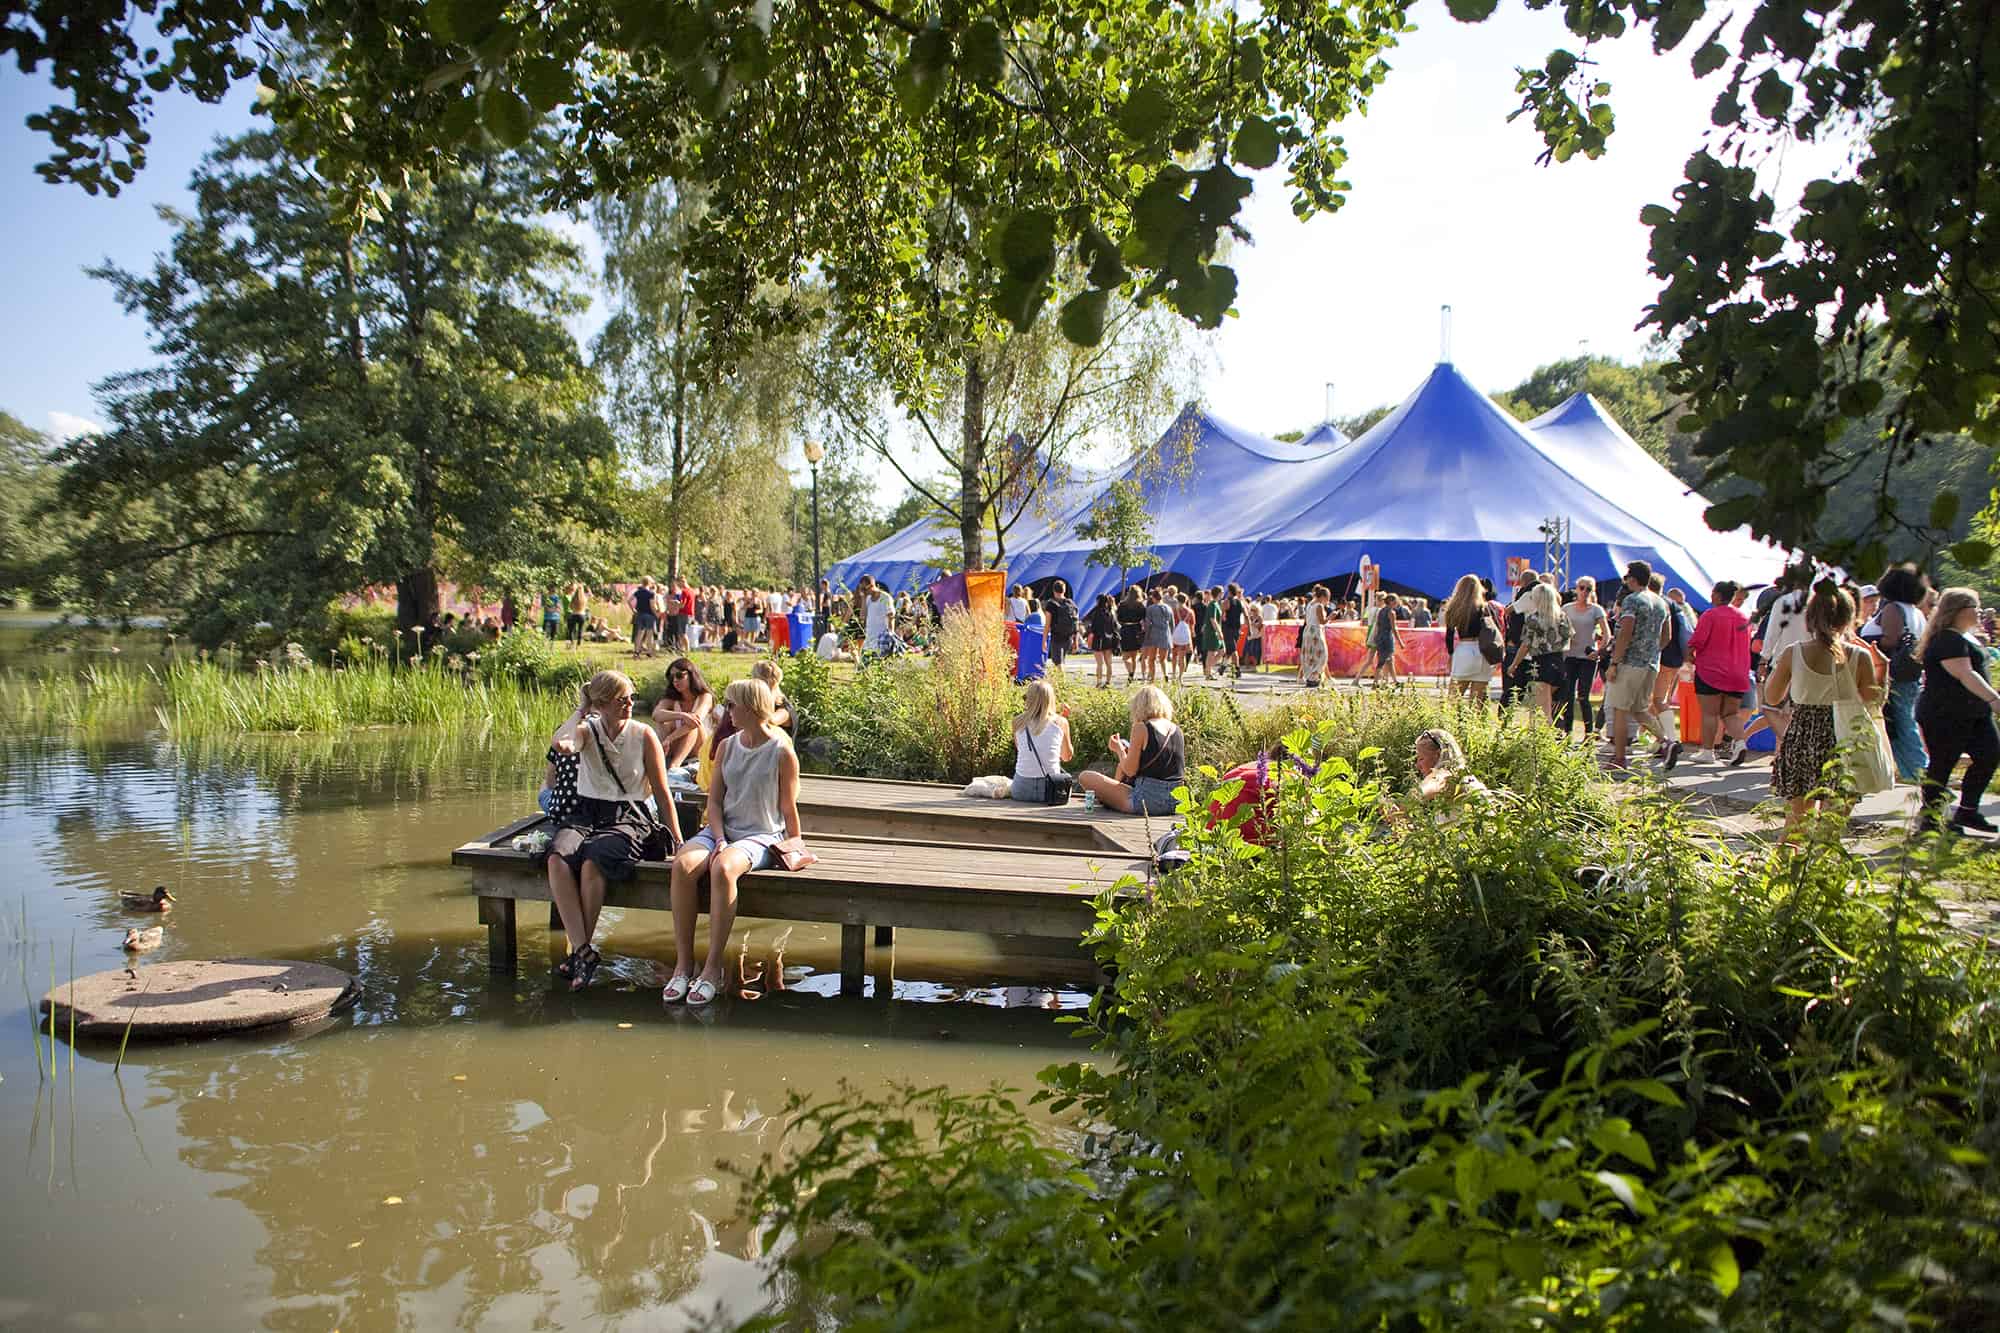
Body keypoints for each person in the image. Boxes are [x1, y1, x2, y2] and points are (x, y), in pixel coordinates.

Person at [663, 678, 801, 1006]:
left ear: (751, 709)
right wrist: (720, 837)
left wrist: (797, 842)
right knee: (683, 863)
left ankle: (712, 968)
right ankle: (683, 965)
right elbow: (714, 802)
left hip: (761, 835)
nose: (726, 711)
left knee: (724, 869)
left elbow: (787, 807)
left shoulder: (782, 751)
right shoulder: (727, 746)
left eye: (732, 705)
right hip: (722, 830)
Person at [547, 671, 680, 990]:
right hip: (586, 811)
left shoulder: (643, 734)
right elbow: (562, 744)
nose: (631, 704)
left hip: (628, 815)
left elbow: (662, 792)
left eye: (632, 697)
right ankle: (583, 952)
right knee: (557, 858)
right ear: (602, 704)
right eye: (623, 699)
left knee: (594, 860)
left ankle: (580, 953)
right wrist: (580, 712)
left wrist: (678, 840)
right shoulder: (587, 731)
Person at [1764, 581, 1881, 837]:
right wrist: (1882, 670)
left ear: (1810, 618)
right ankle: (1824, 873)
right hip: (1844, 738)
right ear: (1849, 619)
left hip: (1803, 736)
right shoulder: (1860, 657)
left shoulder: (1792, 653)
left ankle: (1783, 873)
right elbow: (1874, 702)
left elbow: (1771, 698)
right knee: (1831, 828)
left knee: (1795, 823)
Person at [1914, 588, 1999, 835]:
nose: (1980, 611)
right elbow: (1964, 673)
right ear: (1959, 610)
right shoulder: (1947, 639)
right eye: (1975, 606)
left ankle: (1967, 811)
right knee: (1942, 764)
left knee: (1990, 754)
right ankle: (1930, 819)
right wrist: (1994, 699)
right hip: (1945, 714)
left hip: (1974, 714)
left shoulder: (1966, 637)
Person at [1604, 560, 1683, 771]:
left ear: (1632, 578)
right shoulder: (1661, 603)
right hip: (1651, 663)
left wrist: (1614, 662)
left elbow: (1626, 632)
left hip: (1630, 663)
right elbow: (1667, 636)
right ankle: (1667, 741)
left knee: (1619, 709)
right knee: (1639, 709)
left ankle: (1619, 757)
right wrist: (1652, 650)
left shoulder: (1632, 601)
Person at [1861, 563, 1932, 784]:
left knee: (1901, 726)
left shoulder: (1893, 609)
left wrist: (1862, 640)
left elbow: (1891, 640)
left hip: (1890, 675)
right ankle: (1916, 772)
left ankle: (1920, 773)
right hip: (1909, 674)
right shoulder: (1917, 613)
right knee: (1905, 723)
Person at [1078, 685, 1185, 815]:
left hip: (1146, 801)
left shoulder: (1141, 728)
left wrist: (1119, 749)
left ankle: (1108, 799)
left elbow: (1130, 770)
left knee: (1085, 777)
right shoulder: (1177, 730)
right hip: (1176, 801)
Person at [1687, 581, 1753, 760]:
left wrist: (1689, 657)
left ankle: (1708, 751)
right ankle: (1740, 743)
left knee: (1710, 713)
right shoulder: (1743, 617)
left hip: (1711, 671)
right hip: (1738, 673)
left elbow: (1697, 641)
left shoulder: (1710, 615)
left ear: (1716, 595)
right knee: (1730, 713)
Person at [1383, 727, 1491, 827]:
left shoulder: (1449, 776)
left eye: (1421, 759)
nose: (1417, 766)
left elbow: (1433, 783)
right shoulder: (1464, 777)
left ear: (1439, 755)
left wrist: (1401, 807)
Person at [1508, 581, 1570, 720]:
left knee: (1541, 711)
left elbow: (1526, 645)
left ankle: (1541, 740)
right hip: (1559, 662)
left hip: (1541, 664)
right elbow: (1568, 640)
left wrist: (1514, 664)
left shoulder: (1533, 619)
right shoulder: (1562, 617)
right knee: (1550, 708)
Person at [1558, 578, 1609, 737]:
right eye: (1582, 588)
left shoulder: (1596, 610)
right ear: (1576, 590)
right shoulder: (1566, 609)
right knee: (1568, 695)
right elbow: (1558, 629)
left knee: (1583, 696)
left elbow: (1607, 634)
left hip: (1588, 658)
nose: (1585, 592)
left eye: (1589, 589)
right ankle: (1568, 731)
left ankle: (1588, 733)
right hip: (1569, 656)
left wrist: (1599, 651)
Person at [1009, 679, 1074, 802]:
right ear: (1050, 700)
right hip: (1051, 789)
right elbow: (1066, 757)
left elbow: (1022, 750)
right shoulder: (1061, 723)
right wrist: (1063, 722)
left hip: (1021, 789)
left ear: (1029, 699)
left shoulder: (1017, 722)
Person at [650, 657, 714, 772]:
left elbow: (697, 719)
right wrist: (682, 715)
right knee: (662, 722)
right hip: (673, 747)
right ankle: (660, 759)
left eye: (679, 676)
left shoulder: (705, 696)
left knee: (693, 724)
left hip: (698, 749)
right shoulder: (671, 699)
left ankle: (674, 766)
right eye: (671, 677)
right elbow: (656, 715)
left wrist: (670, 738)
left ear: (691, 675)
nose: (675, 680)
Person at [1441, 573, 1495, 704]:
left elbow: (1449, 636)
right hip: (1483, 651)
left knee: (1453, 699)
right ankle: (1474, 724)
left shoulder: (1453, 608)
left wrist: (1451, 654)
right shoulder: (1484, 608)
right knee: (1477, 701)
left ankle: (1451, 724)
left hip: (1463, 650)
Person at [1354, 592, 1405, 686]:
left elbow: (1376, 625)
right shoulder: (1391, 612)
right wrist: (1400, 642)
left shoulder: (1380, 611)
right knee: (1382, 661)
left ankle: (1393, 680)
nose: (1397, 603)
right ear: (1391, 602)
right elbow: (1394, 628)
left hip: (1379, 637)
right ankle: (1376, 682)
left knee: (1389, 659)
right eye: (1396, 601)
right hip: (1386, 637)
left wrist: (1375, 638)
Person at [1298, 583, 1331, 687]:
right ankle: (1314, 676)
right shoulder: (1319, 606)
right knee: (1322, 654)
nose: (1327, 601)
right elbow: (1322, 621)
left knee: (1309, 655)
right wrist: (1331, 616)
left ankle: (1309, 677)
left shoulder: (1310, 604)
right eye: (1327, 598)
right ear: (1323, 597)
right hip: (1316, 631)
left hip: (1307, 630)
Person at [1087, 592, 1119, 688]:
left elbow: (1093, 627)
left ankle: (1099, 682)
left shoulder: (1096, 612)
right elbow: (1114, 627)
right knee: (1109, 663)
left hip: (1098, 639)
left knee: (1099, 663)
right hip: (1109, 640)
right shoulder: (1111, 612)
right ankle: (1108, 682)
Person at [1142, 587, 1173, 684]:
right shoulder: (1168, 608)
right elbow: (1172, 624)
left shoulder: (1151, 609)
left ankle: (1152, 678)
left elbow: (1148, 623)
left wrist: (1146, 633)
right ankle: (1166, 675)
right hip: (1165, 634)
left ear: (1153, 598)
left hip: (1154, 634)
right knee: (1163, 659)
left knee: (1152, 659)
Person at [1046, 580, 1079, 670]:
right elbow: (1076, 622)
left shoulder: (1051, 604)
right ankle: (1060, 682)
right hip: (1068, 637)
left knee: (1058, 663)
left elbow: (1047, 624)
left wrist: (1044, 640)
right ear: (1064, 590)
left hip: (1056, 637)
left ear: (1053, 591)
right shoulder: (1071, 603)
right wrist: (1076, 641)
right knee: (1062, 661)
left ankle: (1062, 683)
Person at [1116, 586, 1145, 683]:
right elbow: (1143, 617)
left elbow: (1118, 618)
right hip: (1136, 630)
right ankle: (1132, 673)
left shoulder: (1122, 604)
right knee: (1134, 656)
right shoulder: (1140, 605)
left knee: (1125, 656)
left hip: (1125, 629)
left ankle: (1130, 672)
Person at [629, 577, 660, 658]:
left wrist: (633, 610)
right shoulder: (651, 594)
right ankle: (649, 652)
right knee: (650, 634)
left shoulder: (638, 592)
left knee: (639, 634)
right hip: (649, 615)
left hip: (640, 614)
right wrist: (656, 614)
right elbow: (652, 606)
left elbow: (629, 600)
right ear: (649, 583)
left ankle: (636, 652)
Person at [860, 576, 891, 654]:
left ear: (871, 585)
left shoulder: (885, 597)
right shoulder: (867, 599)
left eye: (864, 589)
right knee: (863, 664)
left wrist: (891, 635)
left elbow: (891, 615)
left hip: (882, 639)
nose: (862, 592)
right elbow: (862, 616)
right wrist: (863, 598)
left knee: (881, 664)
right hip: (869, 639)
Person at [1222, 583, 1246, 678]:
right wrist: (1248, 627)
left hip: (1228, 628)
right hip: (1237, 628)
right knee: (1230, 649)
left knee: (1233, 649)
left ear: (1229, 591)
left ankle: (1237, 670)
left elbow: (1221, 614)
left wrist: (1220, 625)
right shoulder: (1240, 602)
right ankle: (1223, 666)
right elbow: (1246, 615)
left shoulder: (1227, 601)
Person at [1168, 591, 1194, 681]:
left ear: (1177, 600)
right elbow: (1192, 626)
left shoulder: (1174, 611)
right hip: (1184, 637)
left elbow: (1171, 624)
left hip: (1175, 635)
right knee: (1182, 657)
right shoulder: (1190, 612)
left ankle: (1174, 674)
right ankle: (1180, 676)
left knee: (1174, 655)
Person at [565, 581, 590, 647]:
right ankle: (579, 643)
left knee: (571, 630)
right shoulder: (584, 598)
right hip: (582, 615)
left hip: (574, 614)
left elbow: (570, 606)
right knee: (580, 630)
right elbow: (586, 607)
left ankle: (572, 642)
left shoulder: (573, 598)